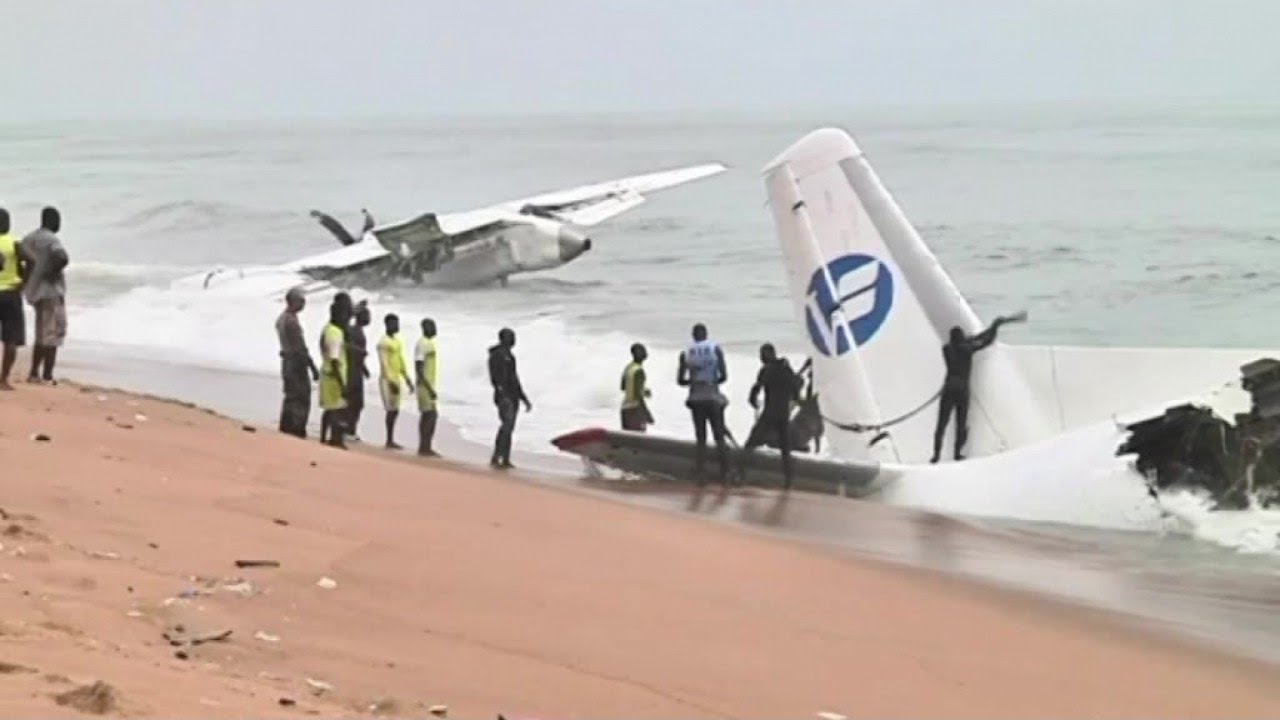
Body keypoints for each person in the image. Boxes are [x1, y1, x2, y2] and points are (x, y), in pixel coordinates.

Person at [931, 313, 1025, 463]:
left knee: (941, 424)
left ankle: (936, 455)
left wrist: (991, 326)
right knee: (960, 423)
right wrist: (995, 326)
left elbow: (972, 340)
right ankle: (957, 453)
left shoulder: (946, 349)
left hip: (948, 388)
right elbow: (985, 341)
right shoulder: (967, 349)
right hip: (962, 389)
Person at [742, 343, 802, 488]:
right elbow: (796, 393)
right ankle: (788, 480)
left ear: (769, 354)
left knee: (751, 443)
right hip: (784, 414)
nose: (760, 358)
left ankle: (740, 472)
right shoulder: (787, 369)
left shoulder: (767, 370)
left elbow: (756, 388)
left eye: (762, 354)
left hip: (770, 413)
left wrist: (753, 402)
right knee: (785, 448)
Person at [21, 207, 68, 385]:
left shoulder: (29, 239)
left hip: (34, 292)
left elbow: (20, 256)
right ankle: (47, 375)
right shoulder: (52, 239)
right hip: (51, 292)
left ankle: (34, 373)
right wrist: (49, 273)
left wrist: (28, 279)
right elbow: (62, 257)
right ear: (53, 221)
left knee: (41, 334)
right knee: (52, 335)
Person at [677, 323, 729, 481]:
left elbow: (680, 380)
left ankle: (701, 473)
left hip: (696, 399)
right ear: (706, 334)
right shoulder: (715, 349)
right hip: (713, 398)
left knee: (701, 437)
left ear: (693, 336)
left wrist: (694, 382)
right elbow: (724, 376)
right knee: (719, 436)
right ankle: (725, 472)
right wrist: (711, 382)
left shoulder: (686, 352)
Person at [276, 287, 319, 438]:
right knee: (301, 395)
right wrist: (312, 366)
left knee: (290, 395)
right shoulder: (291, 321)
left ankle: (286, 425)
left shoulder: (281, 319)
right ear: (292, 301)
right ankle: (296, 427)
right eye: (301, 301)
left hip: (287, 360)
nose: (303, 304)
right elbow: (300, 347)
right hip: (295, 362)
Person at [488, 327, 530, 469]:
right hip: (504, 396)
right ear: (503, 339)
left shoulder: (510, 356)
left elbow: (514, 378)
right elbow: (495, 378)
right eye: (511, 337)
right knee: (506, 425)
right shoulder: (497, 355)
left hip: (513, 395)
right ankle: (497, 456)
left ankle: (505, 458)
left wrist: (523, 398)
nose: (513, 340)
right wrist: (501, 393)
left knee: (509, 427)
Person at [377, 313, 413, 450]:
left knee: (395, 410)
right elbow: (384, 363)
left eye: (397, 323)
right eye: (394, 323)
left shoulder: (397, 341)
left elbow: (400, 360)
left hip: (396, 378)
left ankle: (391, 439)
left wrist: (407, 378)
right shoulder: (383, 342)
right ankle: (389, 439)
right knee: (390, 410)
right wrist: (390, 381)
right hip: (387, 380)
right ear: (387, 324)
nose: (397, 326)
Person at [0, 209, 27, 390]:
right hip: (10, 294)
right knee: (10, 339)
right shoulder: (15, 244)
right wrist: (24, 281)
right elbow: (32, 260)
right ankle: (3, 379)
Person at [319, 299, 352, 448]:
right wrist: (342, 385)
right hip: (333, 376)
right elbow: (334, 360)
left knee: (330, 409)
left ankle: (323, 437)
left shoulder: (328, 328)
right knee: (337, 409)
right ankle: (335, 439)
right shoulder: (335, 333)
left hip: (328, 374)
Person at [345, 301, 372, 441]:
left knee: (356, 402)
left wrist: (365, 368)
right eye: (366, 314)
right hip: (352, 371)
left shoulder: (359, 331)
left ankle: (351, 429)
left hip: (357, 370)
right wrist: (360, 351)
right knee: (354, 402)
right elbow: (346, 346)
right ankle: (348, 430)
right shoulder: (353, 330)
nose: (369, 317)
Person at [415, 318, 441, 456]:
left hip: (428, 384)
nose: (435, 329)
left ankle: (425, 446)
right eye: (432, 326)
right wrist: (428, 388)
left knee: (428, 415)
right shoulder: (422, 344)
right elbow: (419, 367)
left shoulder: (429, 343)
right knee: (431, 415)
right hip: (424, 385)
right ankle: (425, 446)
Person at [620, 343, 654, 432]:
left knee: (627, 437)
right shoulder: (639, 371)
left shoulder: (628, 367)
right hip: (635, 409)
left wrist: (642, 390)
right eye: (643, 351)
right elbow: (637, 395)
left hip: (625, 408)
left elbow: (623, 387)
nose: (645, 353)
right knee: (639, 436)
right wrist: (647, 413)